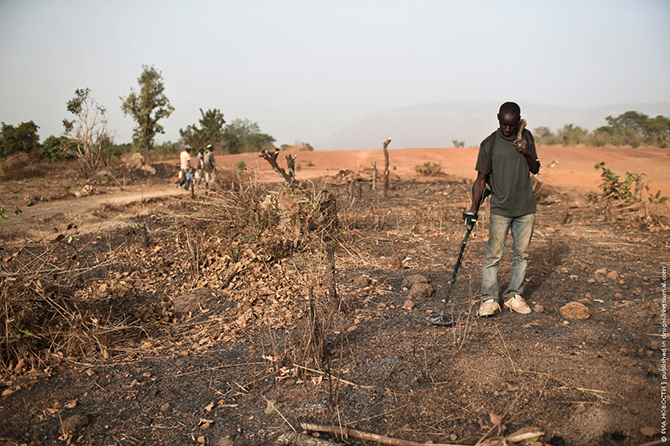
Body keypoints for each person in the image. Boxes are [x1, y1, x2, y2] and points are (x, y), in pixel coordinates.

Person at [466, 102, 541, 317]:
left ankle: (513, 296)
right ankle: (489, 299)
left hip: (525, 208)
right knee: (493, 256)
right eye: (503, 124)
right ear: (498, 118)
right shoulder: (489, 144)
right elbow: (480, 179)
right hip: (500, 208)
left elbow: (535, 168)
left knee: (522, 254)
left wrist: (527, 152)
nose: (507, 129)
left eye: (511, 125)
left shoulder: (526, 137)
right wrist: (473, 208)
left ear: (518, 121)